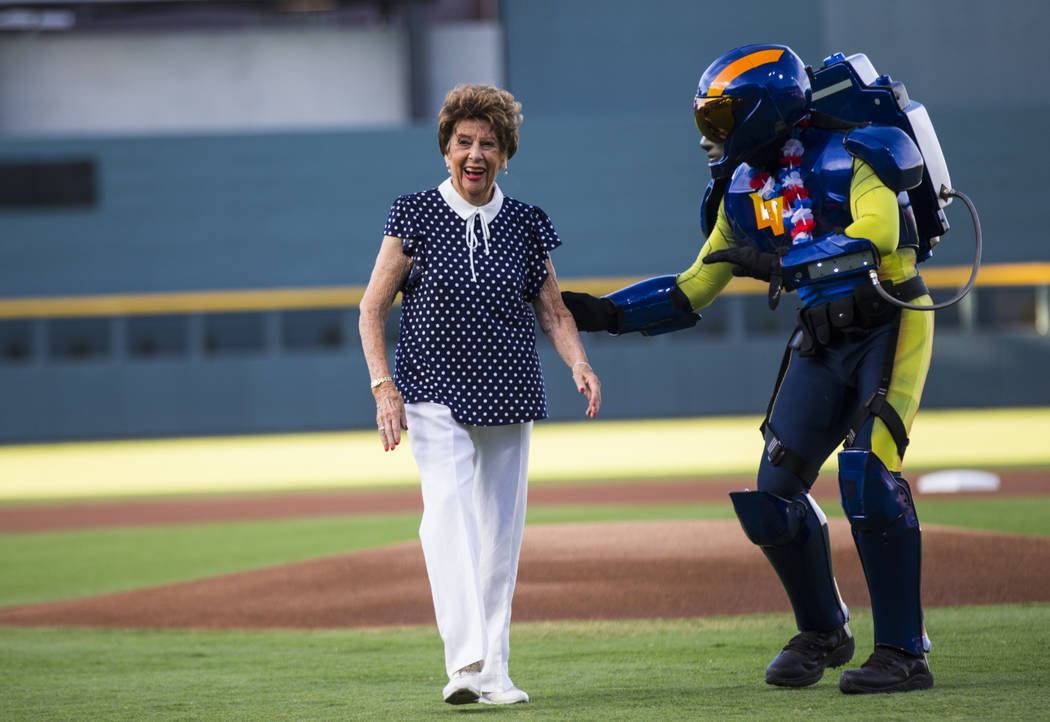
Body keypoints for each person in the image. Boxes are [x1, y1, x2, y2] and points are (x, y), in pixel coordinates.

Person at [563, 44, 937, 694]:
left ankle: (905, 651)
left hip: (890, 318)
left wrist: (773, 264)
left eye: (721, 116)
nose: (711, 133)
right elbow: (690, 288)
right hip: (820, 336)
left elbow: (875, 238)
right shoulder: (743, 189)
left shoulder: (857, 153)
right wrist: (594, 315)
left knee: (869, 477)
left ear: (765, 109)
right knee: (771, 497)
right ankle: (825, 631)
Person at [358, 83, 602, 706]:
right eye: (463, 142)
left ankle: (493, 673)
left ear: (505, 154)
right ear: (446, 149)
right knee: (446, 511)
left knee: (500, 537)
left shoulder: (526, 222)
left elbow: (553, 311)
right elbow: (371, 308)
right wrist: (384, 387)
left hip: (509, 385)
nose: (474, 153)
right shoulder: (412, 212)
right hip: (430, 386)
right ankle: (464, 660)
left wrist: (579, 362)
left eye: (487, 144)